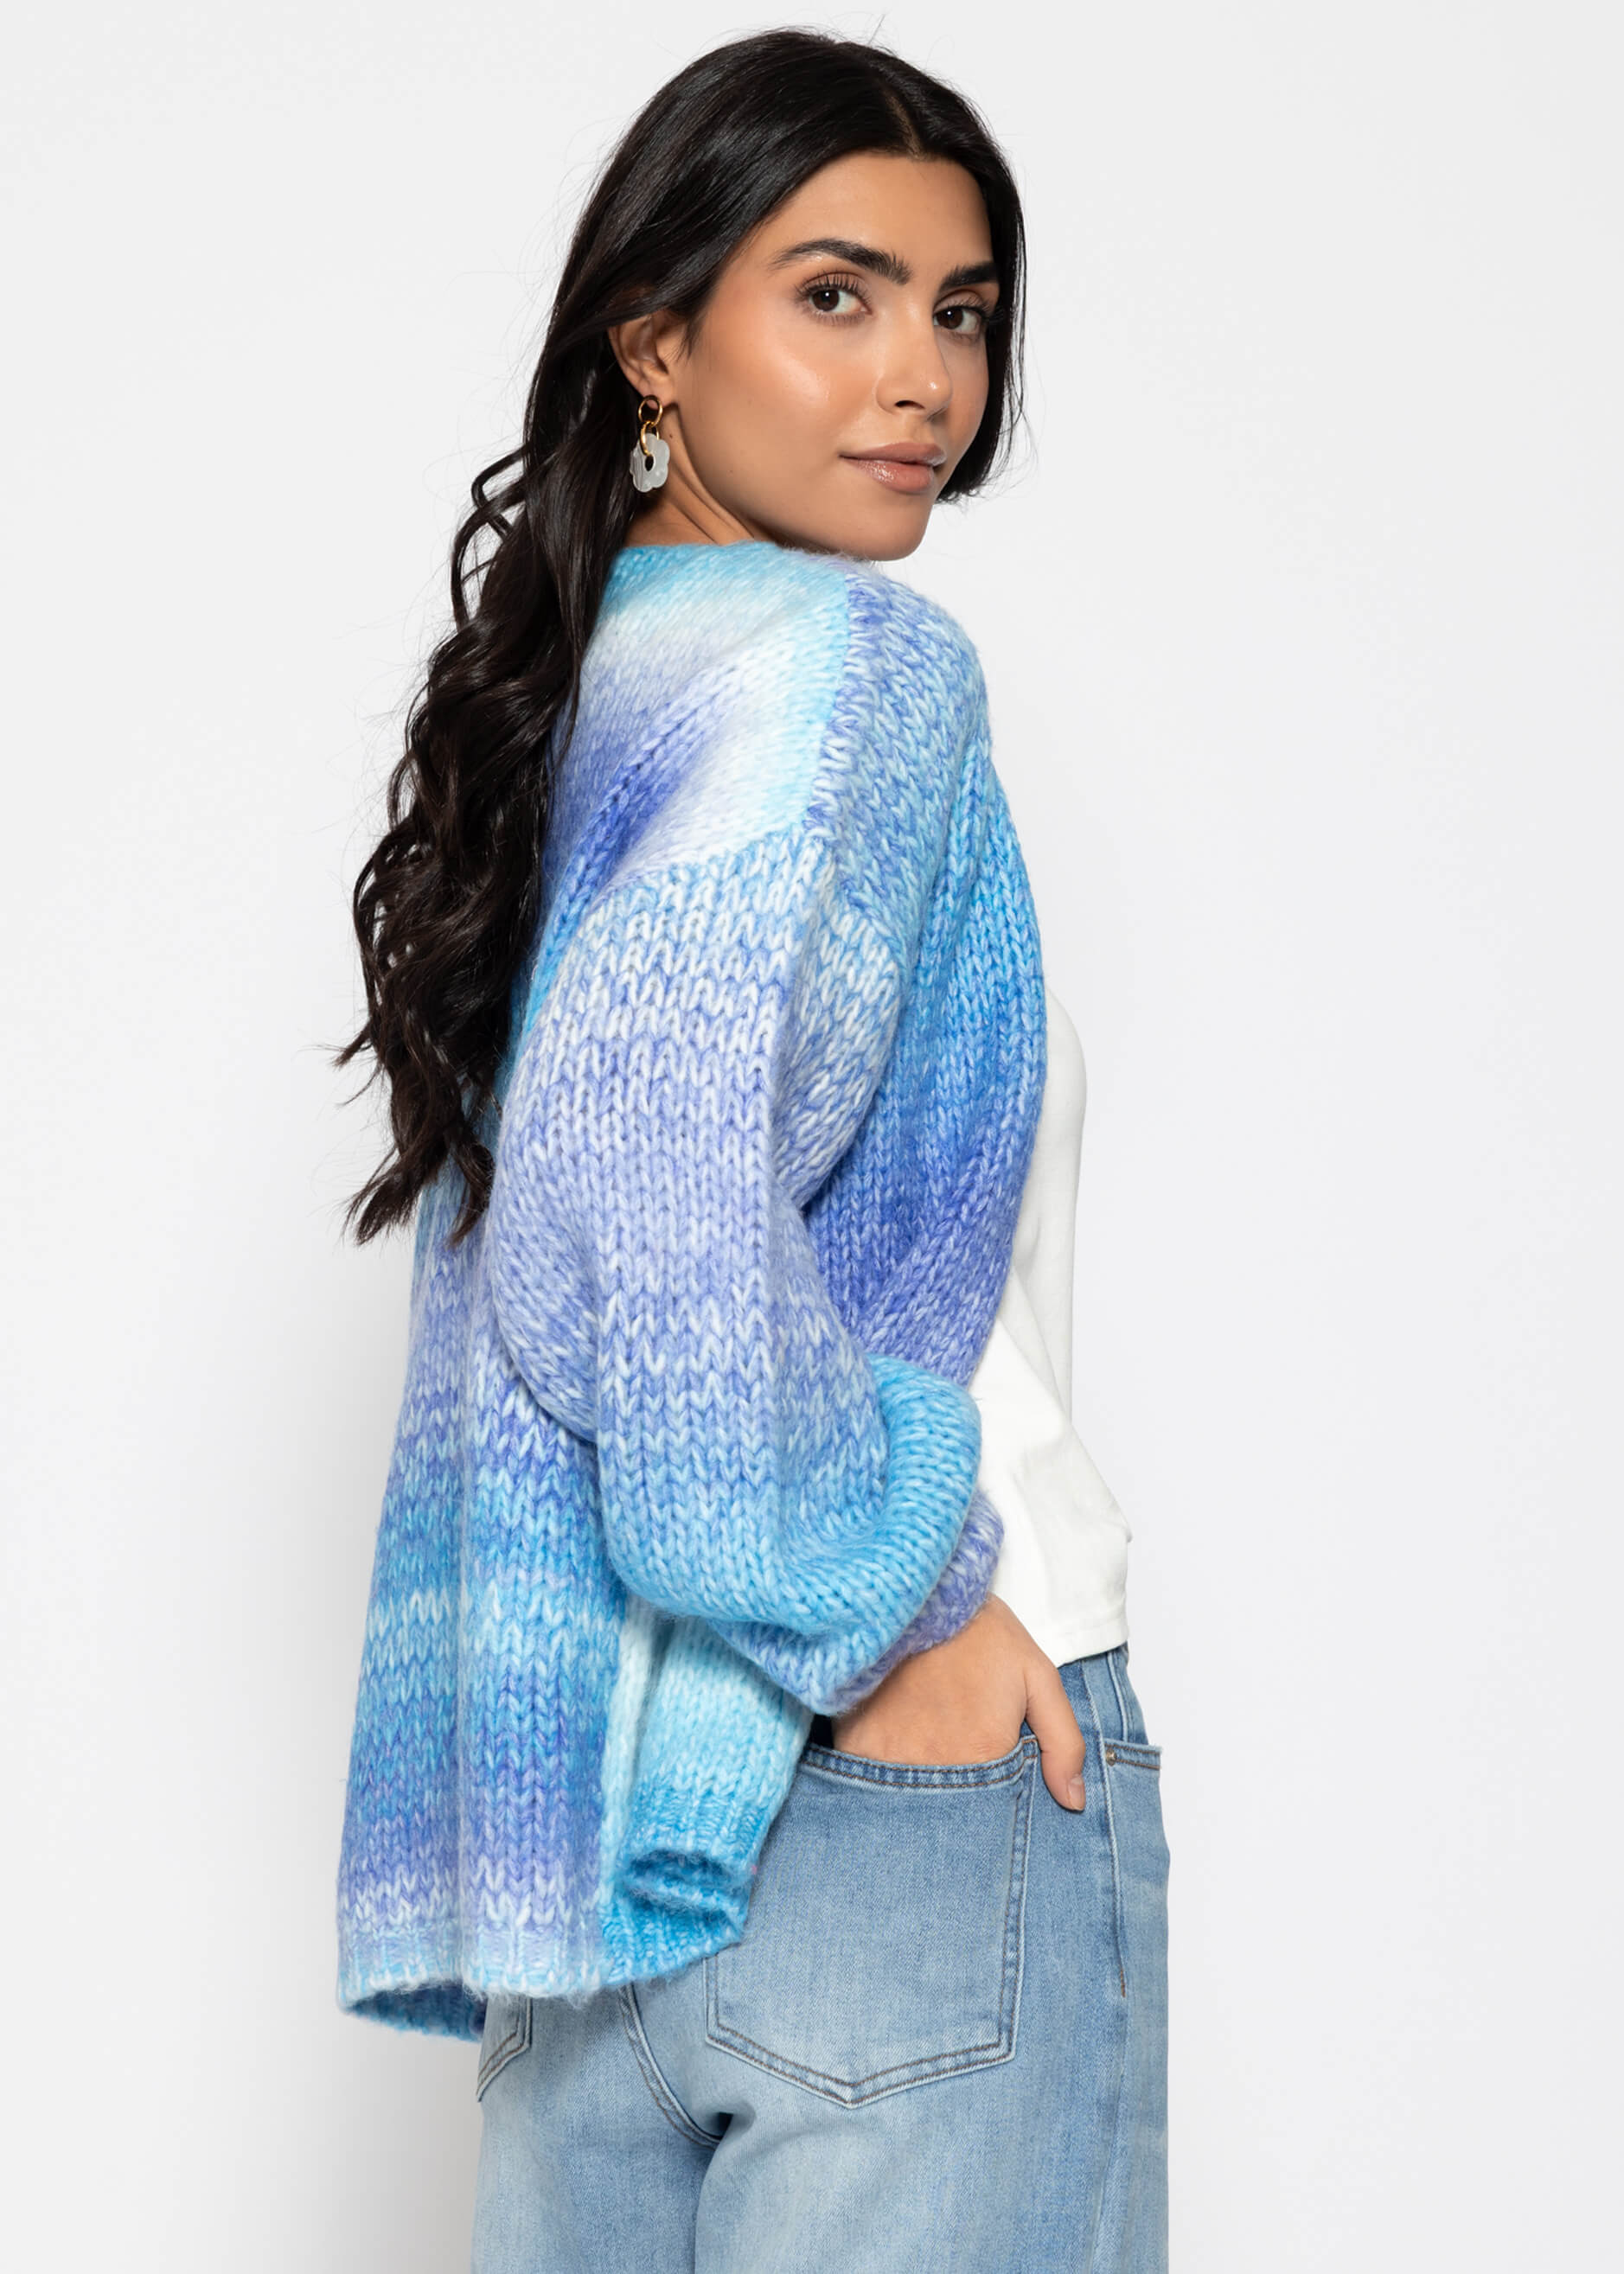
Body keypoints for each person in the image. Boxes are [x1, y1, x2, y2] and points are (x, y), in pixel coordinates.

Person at [334, 29, 1169, 2272]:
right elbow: (639, 1202)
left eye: (961, 310)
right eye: (836, 294)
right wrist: (889, 1607)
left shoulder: (583, 705)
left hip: (597, 1855)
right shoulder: (853, 672)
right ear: (656, 344)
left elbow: (561, 1228)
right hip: (889, 1773)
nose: (922, 378)